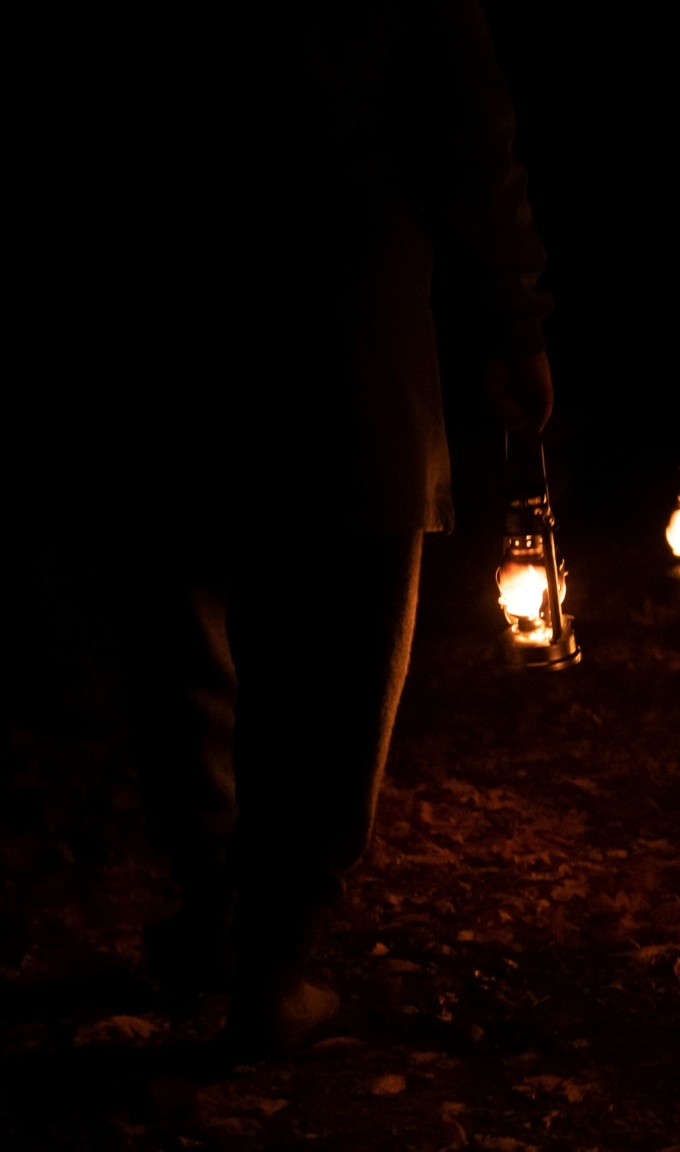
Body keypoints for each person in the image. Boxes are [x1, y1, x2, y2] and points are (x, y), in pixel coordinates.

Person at [109, 0, 554, 1056]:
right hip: (345, 288)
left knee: (196, 602)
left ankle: (222, 899)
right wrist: (515, 318)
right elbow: (473, 134)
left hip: (185, 276)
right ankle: (271, 949)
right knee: (341, 637)